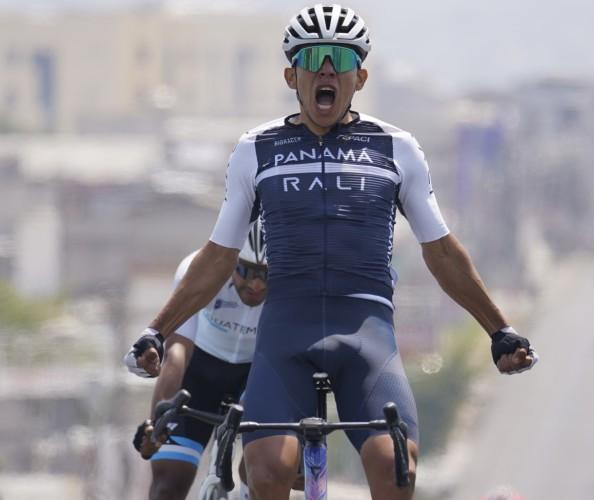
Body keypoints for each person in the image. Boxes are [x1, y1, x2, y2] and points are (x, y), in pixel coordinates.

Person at [123, 4, 538, 499]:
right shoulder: (255, 149)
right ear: (290, 75)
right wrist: (156, 330)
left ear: (360, 77)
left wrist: (499, 330)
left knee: (396, 467)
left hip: (366, 334)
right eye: (312, 58)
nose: (325, 70)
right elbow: (218, 256)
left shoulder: (397, 148)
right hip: (285, 335)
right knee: (267, 470)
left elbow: (443, 252)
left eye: (340, 60)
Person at [132, 225, 268, 500]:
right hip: (199, 372)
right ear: (231, 261)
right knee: (168, 484)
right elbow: (177, 352)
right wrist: (157, 421)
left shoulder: (293, 281)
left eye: (266, 274)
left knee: (265, 474)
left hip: (257, 373)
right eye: (246, 271)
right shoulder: (199, 269)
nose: (256, 284)